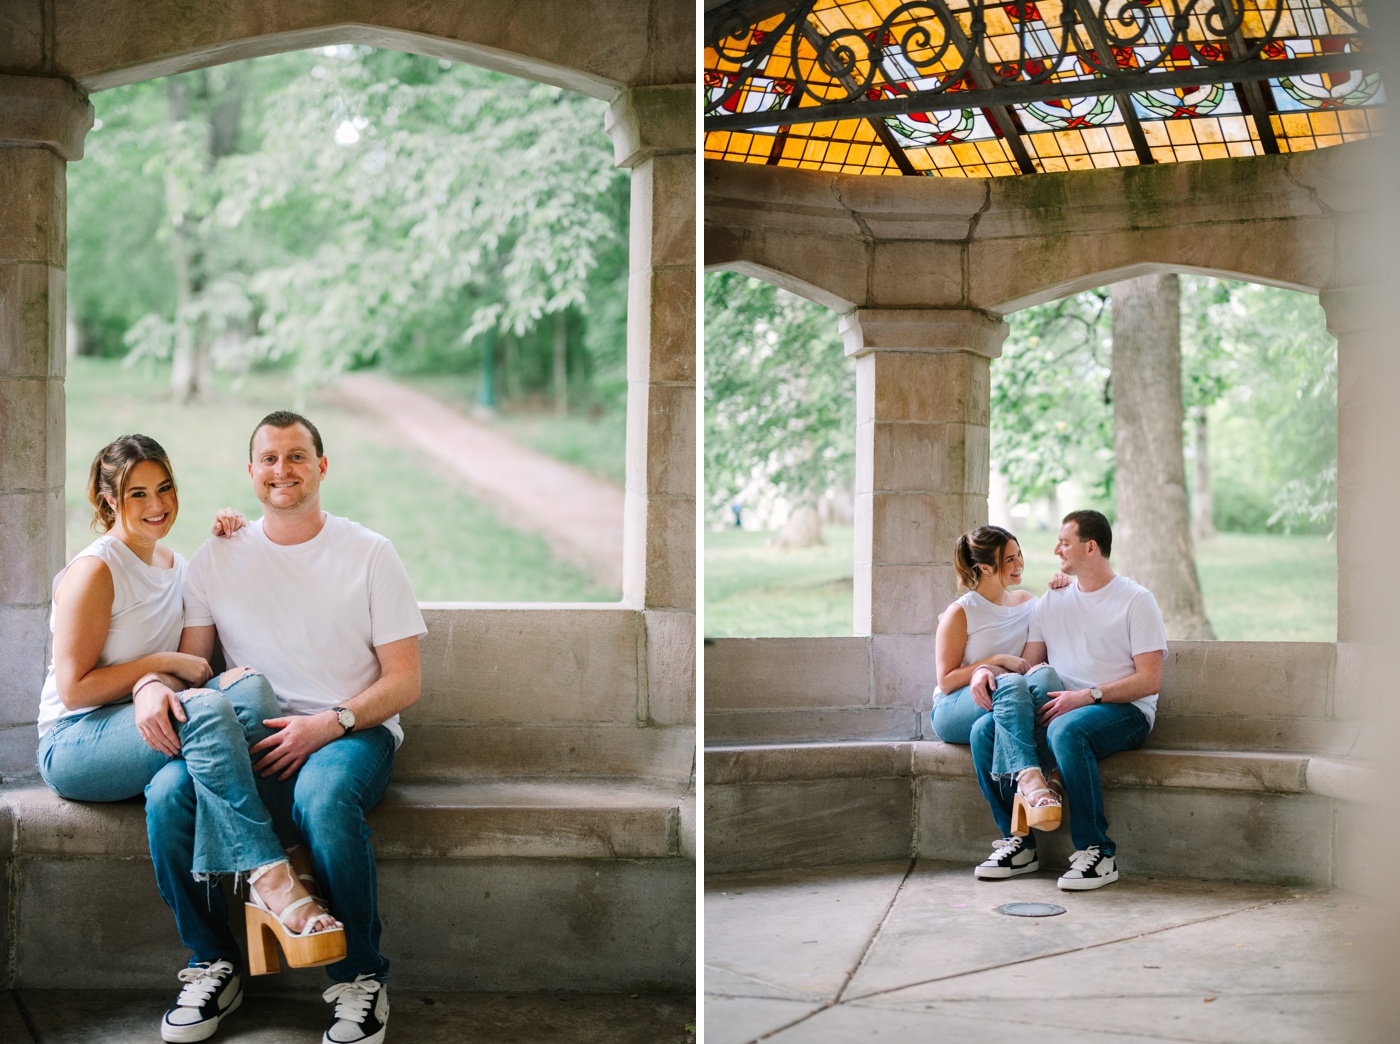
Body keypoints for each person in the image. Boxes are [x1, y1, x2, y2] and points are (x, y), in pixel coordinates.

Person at [35, 434, 346, 1043]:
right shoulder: (97, 568)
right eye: (138, 494)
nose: (157, 505)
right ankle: (272, 875)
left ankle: (220, 963)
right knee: (204, 711)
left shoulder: (174, 563)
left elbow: (193, 661)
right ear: (107, 499)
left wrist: (231, 534)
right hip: (77, 744)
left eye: (165, 488)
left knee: (250, 693)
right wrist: (157, 672)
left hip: (147, 733)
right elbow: (73, 689)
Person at [147, 410, 426, 1044]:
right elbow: (195, 666)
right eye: (269, 459)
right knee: (168, 796)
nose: (283, 470)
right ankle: (212, 963)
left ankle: (362, 979)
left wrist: (330, 724)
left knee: (321, 799)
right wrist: (148, 687)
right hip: (252, 737)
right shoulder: (217, 556)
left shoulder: (370, 553)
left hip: (352, 732)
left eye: (297, 456)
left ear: (322, 467)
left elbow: (404, 682)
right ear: (251, 473)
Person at [970, 509, 1166, 891]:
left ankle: (1099, 851)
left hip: (1124, 710)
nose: (1056, 548)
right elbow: (1029, 664)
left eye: (1065, 541)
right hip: (1061, 704)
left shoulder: (1136, 600)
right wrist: (984, 669)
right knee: (983, 732)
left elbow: (1150, 680)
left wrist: (1088, 696)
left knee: (1065, 730)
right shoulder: (1052, 600)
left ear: (1090, 547)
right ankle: (1021, 844)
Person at [929, 525, 1069, 880]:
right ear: (986, 568)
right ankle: (1034, 779)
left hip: (1005, 703)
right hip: (955, 706)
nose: (1019, 563)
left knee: (1045, 679)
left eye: (1019, 553)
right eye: (1009, 559)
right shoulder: (961, 612)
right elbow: (945, 680)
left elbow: (1031, 667)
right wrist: (990, 664)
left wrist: (1066, 591)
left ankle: (1020, 844)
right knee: (1007, 684)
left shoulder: (1028, 603)